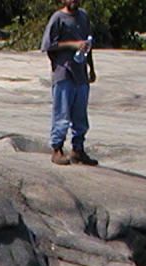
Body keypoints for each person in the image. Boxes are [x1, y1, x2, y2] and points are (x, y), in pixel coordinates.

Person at [41, 0, 98, 167]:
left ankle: (78, 149)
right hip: (64, 72)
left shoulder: (83, 17)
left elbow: (88, 45)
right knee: (62, 113)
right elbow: (48, 45)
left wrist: (91, 68)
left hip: (80, 73)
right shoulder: (58, 18)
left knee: (80, 115)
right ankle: (57, 149)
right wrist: (73, 44)